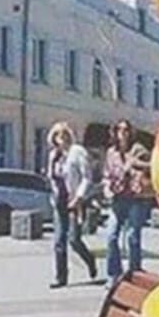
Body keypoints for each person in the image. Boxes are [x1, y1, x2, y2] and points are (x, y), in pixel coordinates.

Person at [47, 122, 98, 288]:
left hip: (74, 201)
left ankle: (90, 260)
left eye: (64, 134)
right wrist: (53, 194)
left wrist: (79, 197)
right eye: (57, 135)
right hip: (59, 201)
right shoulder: (54, 155)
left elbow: (87, 176)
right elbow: (51, 177)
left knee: (74, 240)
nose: (61, 138)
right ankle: (61, 277)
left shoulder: (77, 152)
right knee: (58, 240)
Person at [103, 119, 154, 284]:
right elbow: (107, 174)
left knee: (133, 236)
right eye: (119, 129)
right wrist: (107, 188)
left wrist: (135, 163)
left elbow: (153, 165)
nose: (123, 133)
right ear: (115, 132)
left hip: (136, 198)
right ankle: (114, 274)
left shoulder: (138, 149)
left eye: (126, 130)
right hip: (117, 197)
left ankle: (134, 272)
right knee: (111, 236)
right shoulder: (111, 152)